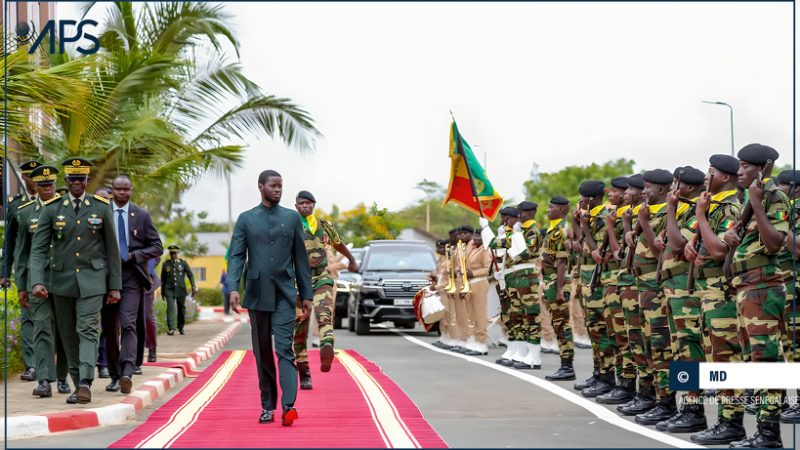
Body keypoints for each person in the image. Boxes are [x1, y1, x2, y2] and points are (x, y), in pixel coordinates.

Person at [29, 158, 122, 404]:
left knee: (88, 330)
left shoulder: (101, 207)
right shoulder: (52, 208)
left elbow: (112, 250)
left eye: (81, 179)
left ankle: (85, 382)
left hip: (93, 282)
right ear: (67, 181)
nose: (77, 183)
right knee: (69, 336)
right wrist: (37, 282)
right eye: (72, 179)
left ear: (87, 181)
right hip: (60, 282)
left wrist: (115, 286)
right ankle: (76, 382)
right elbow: (38, 250)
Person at [227, 169, 313, 426]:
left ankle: (289, 405)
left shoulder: (291, 218)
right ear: (261, 187)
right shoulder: (246, 219)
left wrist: (306, 294)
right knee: (262, 353)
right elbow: (236, 256)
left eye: (280, 186)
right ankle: (267, 406)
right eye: (273, 186)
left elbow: (301, 259)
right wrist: (233, 287)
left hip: (285, 294)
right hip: (256, 294)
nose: (278, 190)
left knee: (284, 348)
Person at [724, 144, 789, 448]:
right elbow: (742, 238)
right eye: (738, 165)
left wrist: (758, 205)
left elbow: (775, 243)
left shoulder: (775, 198)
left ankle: (769, 434)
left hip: (763, 287)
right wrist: (730, 235)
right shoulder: (746, 201)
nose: (739, 171)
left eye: (745, 166)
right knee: (753, 361)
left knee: (766, 362)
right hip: (745, 287)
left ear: (761, 168)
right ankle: (761, 430)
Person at [683, 154, 746, 445]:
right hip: (709, 292)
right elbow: (703, 247)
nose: (707, 177)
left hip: (722, 293)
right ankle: (724, 420)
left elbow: (720, 251)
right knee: (714, 357)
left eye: (711, 172)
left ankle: (731, 423)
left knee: (725, 358)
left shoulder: (729, 206)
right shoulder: (715, 207)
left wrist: (699, 215)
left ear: (722, 177)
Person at [656, 166, 708, 432]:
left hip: (686, 289)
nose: (672, 187)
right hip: (674, 287)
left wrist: (671, 211)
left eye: (676, 182)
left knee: (689, 349)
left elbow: (677, 244)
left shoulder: (695, 211)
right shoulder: (686, 210)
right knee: (679, 348)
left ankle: (694, 409)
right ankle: (686, 407)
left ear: (686, 187)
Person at [102, 175, 162, 394]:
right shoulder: (102, 212)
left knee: (128, 324)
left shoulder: (141, 215)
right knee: (110, 328)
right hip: (107, 278)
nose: (122, 193)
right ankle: (115, 375)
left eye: (126, 189)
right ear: (112, 190)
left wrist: (135, 255)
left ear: (131, 190)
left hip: (131, 277)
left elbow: (157, 247)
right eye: (118, 189)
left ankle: (127, 372)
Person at [292, 190, 358, 389]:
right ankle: (304, 371)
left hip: (322, 276)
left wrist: (352, 260)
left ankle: (326, 347)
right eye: (301, 203)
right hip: (298, 280)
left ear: (313, 205)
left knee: (324, 314)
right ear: (296, 206)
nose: (305, 206)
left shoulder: (324, 225)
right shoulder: (290, 225)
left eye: (308, 203)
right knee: (300, 326)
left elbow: (338, 244)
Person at [13, 164, 69, 396]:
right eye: (43, 185)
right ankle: (45, 380)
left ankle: (64, 377)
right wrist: (22, 285)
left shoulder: (68, 208)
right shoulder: (25, 212)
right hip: (37, 281)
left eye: (51, 184)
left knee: (65, 331)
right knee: (42, 329)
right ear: (34, 186)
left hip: (65, 278)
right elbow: (22, 252)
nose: (47, 188)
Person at [629, 169, 676, 425]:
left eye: (648, 186)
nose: (643, 189)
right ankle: (656, 398)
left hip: (658, 287)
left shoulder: (667, 214)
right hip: (644, 286)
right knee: (647, 345)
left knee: (662, 347)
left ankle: (667, 403)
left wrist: (644, 223)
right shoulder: (650, 211)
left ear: (661, 190)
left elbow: (660, 252)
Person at [1, 159, 42, 382]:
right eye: (30, 177)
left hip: (51, 269)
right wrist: (4, 272)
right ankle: (31, 365)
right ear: (24, 179)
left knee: (49, 318)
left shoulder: (53, 202)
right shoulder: (16, 206)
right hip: (25, 269)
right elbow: (10, 241)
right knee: (28, 317)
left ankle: (47, 363)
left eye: (38, 177)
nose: (35, 181)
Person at [574, 180, 614, 396]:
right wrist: (578, 224)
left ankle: (607, 376)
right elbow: (579, 246)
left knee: (601, 331)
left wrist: (586, 226)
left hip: (599, 280)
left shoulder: (605, 215)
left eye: (582, 197)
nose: (580, 201)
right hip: (587, 279)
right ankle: (599, 372)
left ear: (590, 198)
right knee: (593, 329)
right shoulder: (587, 216)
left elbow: (595, 250)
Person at [541, 196, 576, 381]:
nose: (548, 209)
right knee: (557, 324)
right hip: (551, 281)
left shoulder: (562, 229)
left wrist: (561, 289)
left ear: (562, 210)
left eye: (551, 206)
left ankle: (567, 366)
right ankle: (565, 365)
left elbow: (561, 262)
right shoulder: (553, 228)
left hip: (557, 282)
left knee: (562, 324)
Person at [506, 201, 543, 370]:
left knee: (531, 316)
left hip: (529, 277)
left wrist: (517, 236)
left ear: (532, 213)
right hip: (519, 277)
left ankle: (535, 356)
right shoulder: (521, 231)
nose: (520, 215)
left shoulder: (532, 232)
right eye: (520, 212)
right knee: (519, 315)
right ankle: (524, 352)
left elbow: (522, 254)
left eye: (524, 212)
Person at [776, 169, 800, 424]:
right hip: (784, 287)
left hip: (795, 285)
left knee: (796, 346)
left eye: (782, 186)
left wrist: (780, 228)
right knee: (787, 346)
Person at [463, 227, 491, 355]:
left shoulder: (485, 250)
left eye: (477, 236)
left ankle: (482, 342)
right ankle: (474, 339)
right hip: (470, 283)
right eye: (474, 236)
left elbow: (487, 269)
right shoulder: (473, 248)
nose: (474, 238)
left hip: (479, 282)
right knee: (471, 314)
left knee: (480, 314)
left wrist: (473, 273)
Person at [160, 245, 197, 335]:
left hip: (180, 289)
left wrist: (193, 286)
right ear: (169, 254)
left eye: (175, 253)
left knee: (181, 309)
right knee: (170, 308)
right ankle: (171, 328)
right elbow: (163, 280)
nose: (173, 255)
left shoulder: (183, 263)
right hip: (169, 289)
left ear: (178, 253)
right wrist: (162, 292)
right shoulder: (166, 264)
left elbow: (190, 275)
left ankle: (181, 327)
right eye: (171, 253)